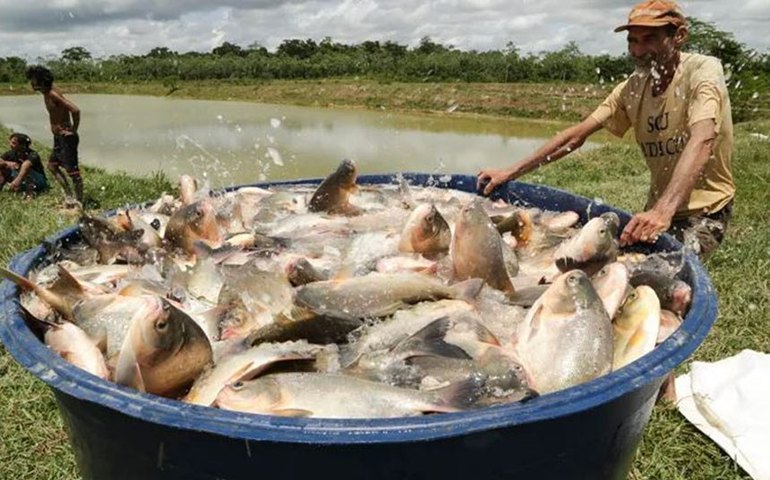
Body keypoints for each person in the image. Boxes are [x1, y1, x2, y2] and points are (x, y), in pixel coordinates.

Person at [477, 0, 735, 261]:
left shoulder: (702, 72)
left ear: (679, 36)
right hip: (658, 208)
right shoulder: (632, 88)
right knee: (601, 259)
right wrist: (510, 172)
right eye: (632, 41)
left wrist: (662, 211)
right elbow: (575, 136)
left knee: (656, 268)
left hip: (704, 212)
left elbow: (703, 140)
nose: (638, 50)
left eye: (649, 39)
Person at [25, 65, 83, 206]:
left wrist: (73, 130)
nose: (31, 83)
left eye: (33, 80)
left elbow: (75, 110)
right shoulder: (46, 94)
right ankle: (69, 196)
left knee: (73, 172)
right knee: (52, 166)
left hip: (66, 138)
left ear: (40, 80)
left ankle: (79, 201)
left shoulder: (52, 94)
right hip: (58, 138)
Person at [0, 132, 49, 197]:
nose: (10, 144)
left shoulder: (33, 154)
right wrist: (7, 163)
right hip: (23, 181)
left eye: (14, 143)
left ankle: (30, 194)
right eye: (11, 142)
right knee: (3, 166)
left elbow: (26, 165)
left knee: (24, 168)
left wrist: (17, 180)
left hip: (38, 182)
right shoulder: (11, 153)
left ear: (22, 145)